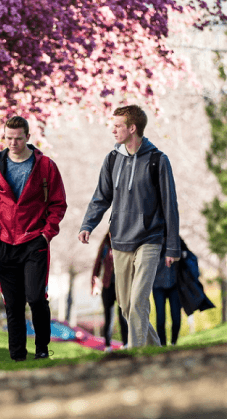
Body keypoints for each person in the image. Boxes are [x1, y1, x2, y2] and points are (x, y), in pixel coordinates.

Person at [78, 105, 180, 348]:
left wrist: (172, 247)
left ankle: (134, 356)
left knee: (138, 302)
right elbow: (101, 196)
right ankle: (156, 351)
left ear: (132, 128)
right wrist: (88, 224)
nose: (112, 130)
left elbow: (170, 206)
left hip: (149, 240)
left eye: (117, 126)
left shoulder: (158, 160)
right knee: (126, 306)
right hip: (120, 241)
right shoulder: (112, 159)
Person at [0, 116, 67, 361]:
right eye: (9, 138)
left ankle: (41, 348)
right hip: (4, 243)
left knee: (36, 298)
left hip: (34, 242)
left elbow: (58, 203)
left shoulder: (46, 165)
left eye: (18, 138)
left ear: (28, 137)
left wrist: (46, 235)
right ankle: (17, 355)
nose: (13, 143)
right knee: (13, 303)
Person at [92, 232, 128, 351]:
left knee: (123, 316)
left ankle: (126, 343)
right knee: (109, 317)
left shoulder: (125, 245)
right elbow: (97, 266)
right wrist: (94, 284)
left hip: (122, 287)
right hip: (107, 286)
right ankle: (108, 345)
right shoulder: (105, 247)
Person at [152, 239, 184, 346]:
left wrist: (178, 254)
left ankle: (174, 342)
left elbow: (186, 254)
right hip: (157, 285)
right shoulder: (153, 238)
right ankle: (163, 344)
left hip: (174, 284)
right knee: (160, 317)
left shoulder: (176, 239)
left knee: (176, 317)